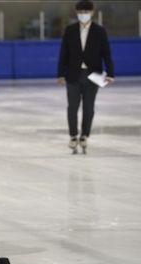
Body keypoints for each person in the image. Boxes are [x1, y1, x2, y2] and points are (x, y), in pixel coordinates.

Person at [57, 0, 114, 153]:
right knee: (72, 107)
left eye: (86, 12)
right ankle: (73, 135)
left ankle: (84, 135)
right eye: (80, 12)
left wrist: (110, 73)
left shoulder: (99, 31)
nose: (83, 15)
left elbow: (106, 53)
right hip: (73, 74)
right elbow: (64, 53)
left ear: (92, 12)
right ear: (77, 13)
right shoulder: (70, 30)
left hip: (92, 75)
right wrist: (60, 74)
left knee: (89, 108)